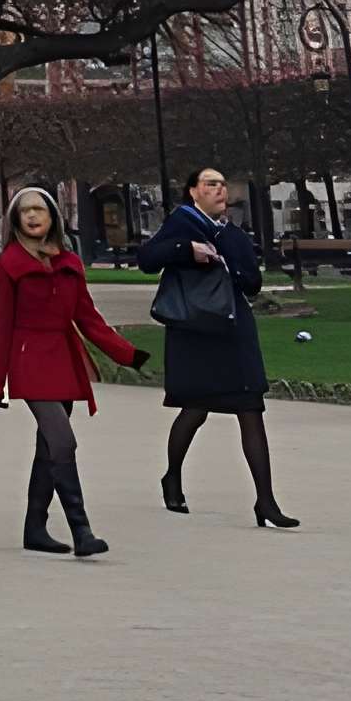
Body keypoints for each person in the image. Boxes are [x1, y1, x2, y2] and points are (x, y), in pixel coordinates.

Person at [0, 188, 144, 558]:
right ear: (15, 220)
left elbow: (88, 319)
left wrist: (128, 355)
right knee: (63, 442)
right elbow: (0, 326)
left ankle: (34, 527)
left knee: (48, 448)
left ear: (53, 216)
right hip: (28, 359)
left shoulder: (70, 262)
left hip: (63, 358)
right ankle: (81, 529)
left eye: (40, 210)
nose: (34, 216)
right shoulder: (9, 266)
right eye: (26, 212)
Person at [138, 166, 297, 528]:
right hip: (195, 329)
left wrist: (228, 259)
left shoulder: (234, 234)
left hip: (233, 328)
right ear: (193, 191)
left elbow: (253, 284)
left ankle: (266, 501)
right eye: (211, 184)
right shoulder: (182, 223)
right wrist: (186, 251)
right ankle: (172, 476)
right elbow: (147, 260)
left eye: (223, 185)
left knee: (251, 409)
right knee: (195, 409)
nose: (220, 190)